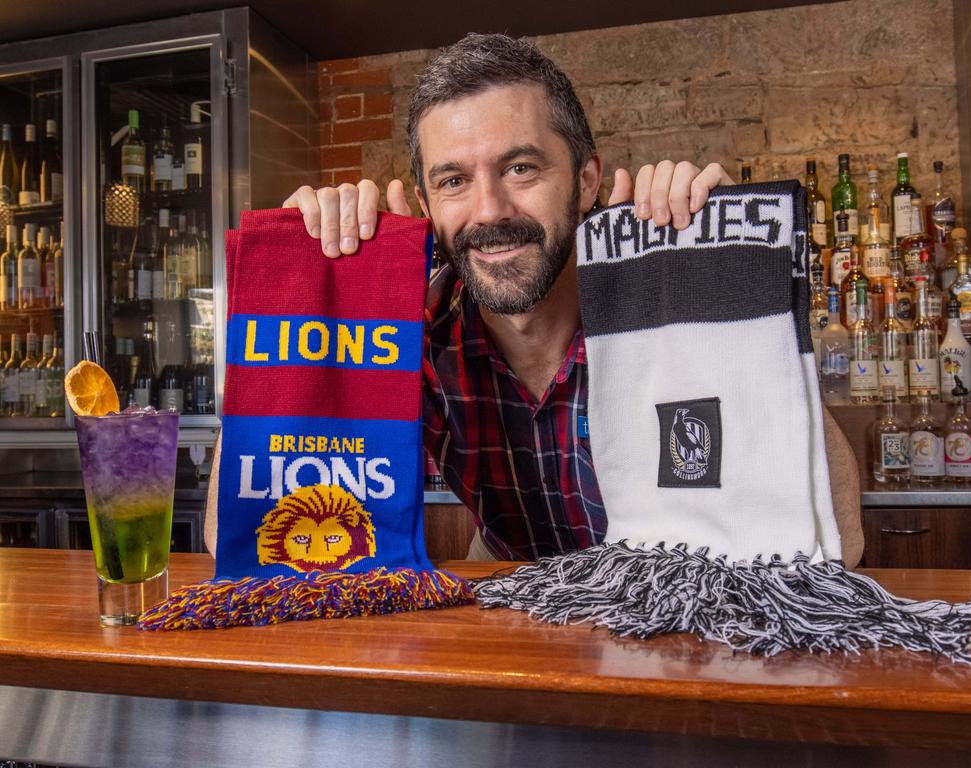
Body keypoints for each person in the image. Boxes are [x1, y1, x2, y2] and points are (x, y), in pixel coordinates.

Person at [206, 33, 863, 567]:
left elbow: (843, 538)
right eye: (455, 180)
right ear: (428, 207)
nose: (490, 210)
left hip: (685, 643)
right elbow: (232, 533)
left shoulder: (661, 309)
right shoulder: (416, 334)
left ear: (585, 180)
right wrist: (306, 298)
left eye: (521, 168)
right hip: (532, 652)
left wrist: (733, 284)